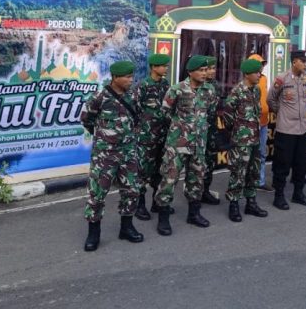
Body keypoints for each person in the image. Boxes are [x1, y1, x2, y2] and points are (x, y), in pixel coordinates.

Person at [81, 60, 144, 252]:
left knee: (132, 189)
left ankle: (127, 227)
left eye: (132, 76)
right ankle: (94, 233)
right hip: (105, 155)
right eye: (126, 77)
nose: (130, 80)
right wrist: (104, 138)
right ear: (115, 77)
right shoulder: (100, 97)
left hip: (128, 152)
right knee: (97, 194)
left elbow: (138, 116)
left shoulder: (133, 95)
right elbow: (87, 119)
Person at [153, 56, 213, 236]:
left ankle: (194, 214)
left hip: (198, 144)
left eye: (205, 70)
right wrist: (180, 128)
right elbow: (164, 112)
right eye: (201, 71)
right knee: (169, 180)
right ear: (190, 72)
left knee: (196, 179)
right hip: (177, 144)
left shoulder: (208, 90)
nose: (204, 74)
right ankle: (163, 219)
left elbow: (208, 112)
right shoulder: (177, 90)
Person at [223, 58, 268, 222]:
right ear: (247, 74)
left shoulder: (256, 90)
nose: (259, 75)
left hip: (255, 138)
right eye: (257, 72)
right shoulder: (236, 92)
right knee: (238, 172)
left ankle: (251, 202)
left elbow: (256, 112)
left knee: (253, 171)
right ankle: (233, 204)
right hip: (241, 141)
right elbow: (227, 116)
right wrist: (237, 132)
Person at [267, 49, 306, 210]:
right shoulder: (282, 79)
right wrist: (281, 112)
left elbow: (305, 101)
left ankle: (298, 194)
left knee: (302, 163)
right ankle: (279, 196)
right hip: (286, 129)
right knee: (282, 164)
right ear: (294, 62)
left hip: (302, 129)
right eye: (303, 61)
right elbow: (271, 98)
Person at [135, 53, 171, 220]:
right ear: (154, 67)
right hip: (146, 137)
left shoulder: (165, 84)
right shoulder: (143, 86)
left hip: (162, 135)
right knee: (142, 172)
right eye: (163, 66)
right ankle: (139, 205)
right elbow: (134, 110)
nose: (166, 68)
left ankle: (157, 203)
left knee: (160, 171)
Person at [248, 54, 273, 192]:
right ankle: (248, 181)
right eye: (259, 64)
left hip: (263, 122)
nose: (262, 67)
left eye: (263, 64)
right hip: (251, 124)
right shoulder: (247, 82)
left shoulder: (264, 79)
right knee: (249, 154)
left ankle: (260, 181)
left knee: (261, 153)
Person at [201, 56, 222, 206]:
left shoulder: (215, 85)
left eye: (213, 68)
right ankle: (194, 193)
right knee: (195, 163)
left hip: (211, 130)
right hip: (197, 131)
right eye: (208, 68)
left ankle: (205, 190)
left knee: (210, 161)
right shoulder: (195, 85)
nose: (211, 71)